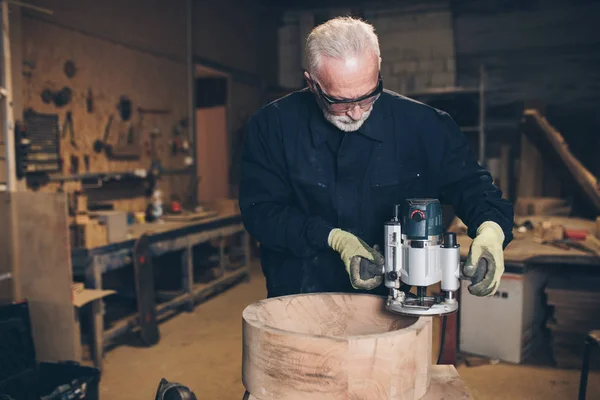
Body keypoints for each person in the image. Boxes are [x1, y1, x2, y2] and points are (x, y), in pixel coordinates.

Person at [239, 16, 513, 299]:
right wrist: (332, 238)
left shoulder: (427, 125)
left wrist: (491, 230)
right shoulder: (272, 127)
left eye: (369, 95)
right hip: (300, 294)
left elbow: (472, 186)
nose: (357, 113)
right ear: (311, 83)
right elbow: (261, 212)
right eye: (340, 101)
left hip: (391, 301)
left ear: (378, 66)